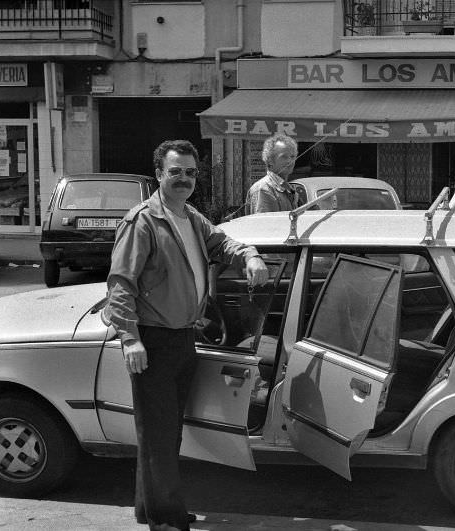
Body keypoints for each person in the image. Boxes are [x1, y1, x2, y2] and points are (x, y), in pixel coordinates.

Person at [103, 139, 269, 530]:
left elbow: (222, 242)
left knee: (166, 430)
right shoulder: (142, 221)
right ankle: (166, 520)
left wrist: (250, 254)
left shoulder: (190, 216)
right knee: (159, 434)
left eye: (190, 173)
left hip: (182, 338)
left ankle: (151, 508)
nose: (183, 179)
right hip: (152, 340)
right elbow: (120, 284)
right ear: (159, 174)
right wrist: (130, 339)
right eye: (175, 172)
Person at [245, 133, 301, 214]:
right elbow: (264, 224)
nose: (290, 161)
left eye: (292, 157)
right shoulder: (263, 189)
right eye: (284, 157)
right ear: (270, 161)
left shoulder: (288, 189)